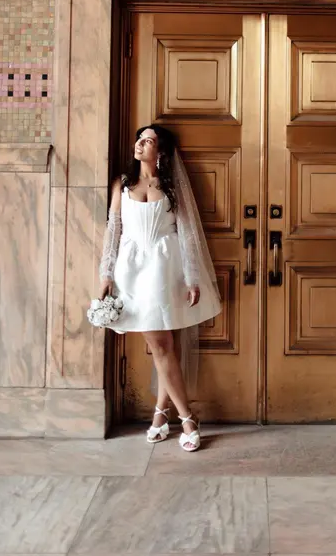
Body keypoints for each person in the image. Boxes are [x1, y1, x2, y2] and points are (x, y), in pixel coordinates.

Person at [98, 124, 221, 450]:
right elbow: (113, 230)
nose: (140, 144)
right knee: (162, 346)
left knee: (163, 346)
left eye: (148, 140)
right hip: (132, 271)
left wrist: (192, 277)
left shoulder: (171, 186)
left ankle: (170, 416)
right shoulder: (122, 184)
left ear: (161, 151)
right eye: (139, 139)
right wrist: (106, 274)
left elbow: (188, 232)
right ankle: (180, 417)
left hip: (165, 270)